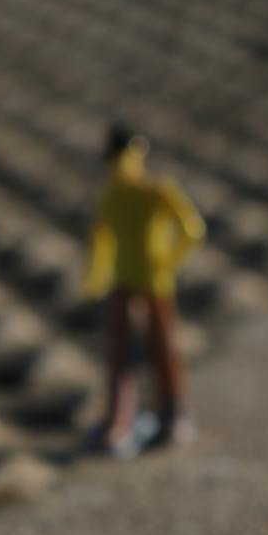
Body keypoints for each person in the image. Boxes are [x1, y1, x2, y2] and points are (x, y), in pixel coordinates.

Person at [81, 122, 205, 455]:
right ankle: (120, 421)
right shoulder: (112, 196)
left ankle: (172, 414)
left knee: (162, 349)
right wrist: (95, 279)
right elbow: (101, 241)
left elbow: (191, 230)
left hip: (152, 280)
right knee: (118, 353)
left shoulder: (154, 191)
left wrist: (168, 260)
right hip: (126, 278)